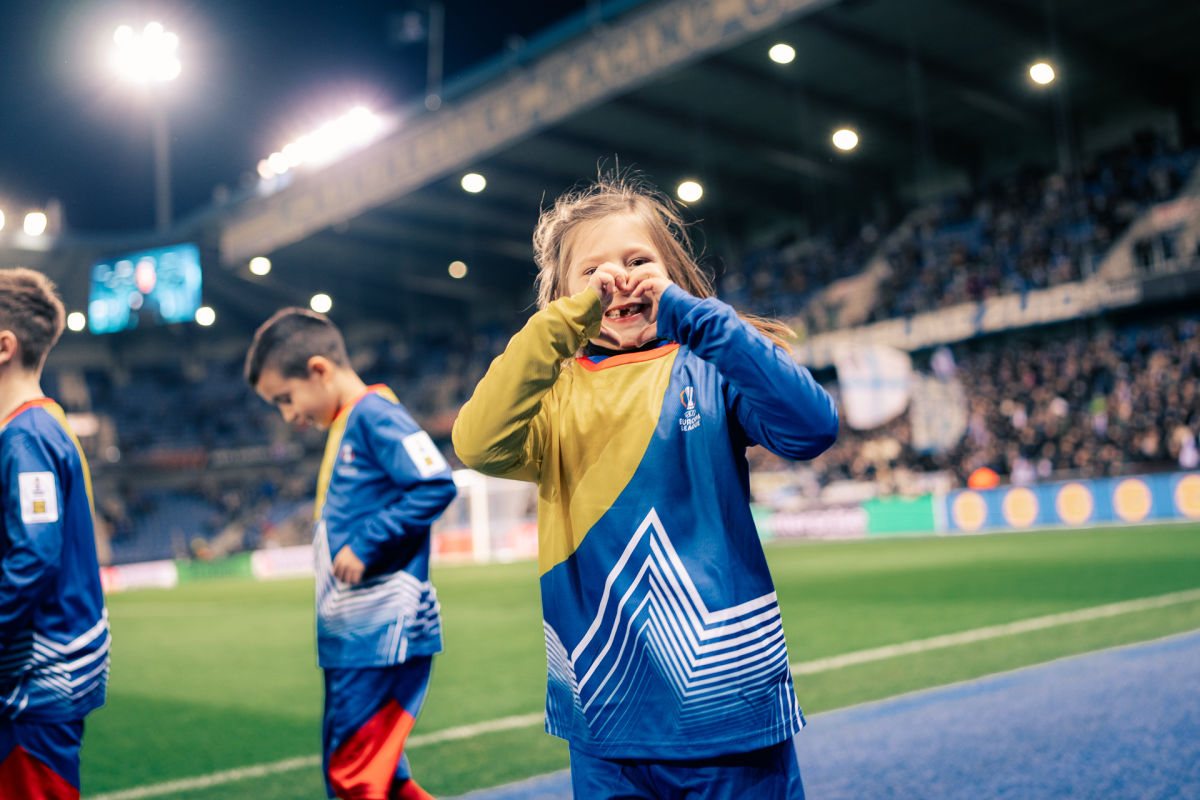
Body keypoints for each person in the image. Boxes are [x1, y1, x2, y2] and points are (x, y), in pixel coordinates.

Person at [452, 175, 839, 799]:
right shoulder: (553, 398)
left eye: (638, 262)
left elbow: (812, 428)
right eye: (594, 273)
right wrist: (559, 327)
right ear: (561, 295)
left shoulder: (710, 365)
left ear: (671, 271)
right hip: (602, 714)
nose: (619, 281)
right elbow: (476, 443)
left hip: (727, 710)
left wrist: (696, 318)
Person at [245, 308, 456, 800]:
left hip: (378, 632)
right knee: (382, 777)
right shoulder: (347, 423)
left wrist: (365, 543)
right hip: (353, 636)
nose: (288, 415)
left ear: (319, 370)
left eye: (285, 399)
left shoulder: (374, 413)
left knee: (354, 777)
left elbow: (434, 484)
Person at [0, 268, 110, 799]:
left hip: (37, 677)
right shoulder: (31, 429)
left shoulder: (29, 436)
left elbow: (34, 556)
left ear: (4, 346)